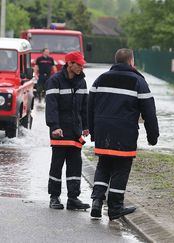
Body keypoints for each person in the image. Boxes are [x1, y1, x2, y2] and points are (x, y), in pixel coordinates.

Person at [88, 48, 159, 220]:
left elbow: (89, 107)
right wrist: (153, 136)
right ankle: (115, 209)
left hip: (103, 132)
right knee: (121, 168)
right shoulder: (138, 82)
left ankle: (97, 201)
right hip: (124, 133)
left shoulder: (101, 79)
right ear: (131, 62)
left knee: (103, 166)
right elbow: (149, 111)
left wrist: (93, 132)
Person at [45, 51, 90, 210]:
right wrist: (54, 126)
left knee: (75, 164)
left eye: (82, 65)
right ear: (70, 64)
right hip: (60, 130)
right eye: (78, 64)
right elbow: (51, 107)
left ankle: (73, 198)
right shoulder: (54, 81)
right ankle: (54, 197)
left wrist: (86, 125)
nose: (81, 67)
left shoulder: (82, 82)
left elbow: (85, 106)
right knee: (57, 164)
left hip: (75, 131)